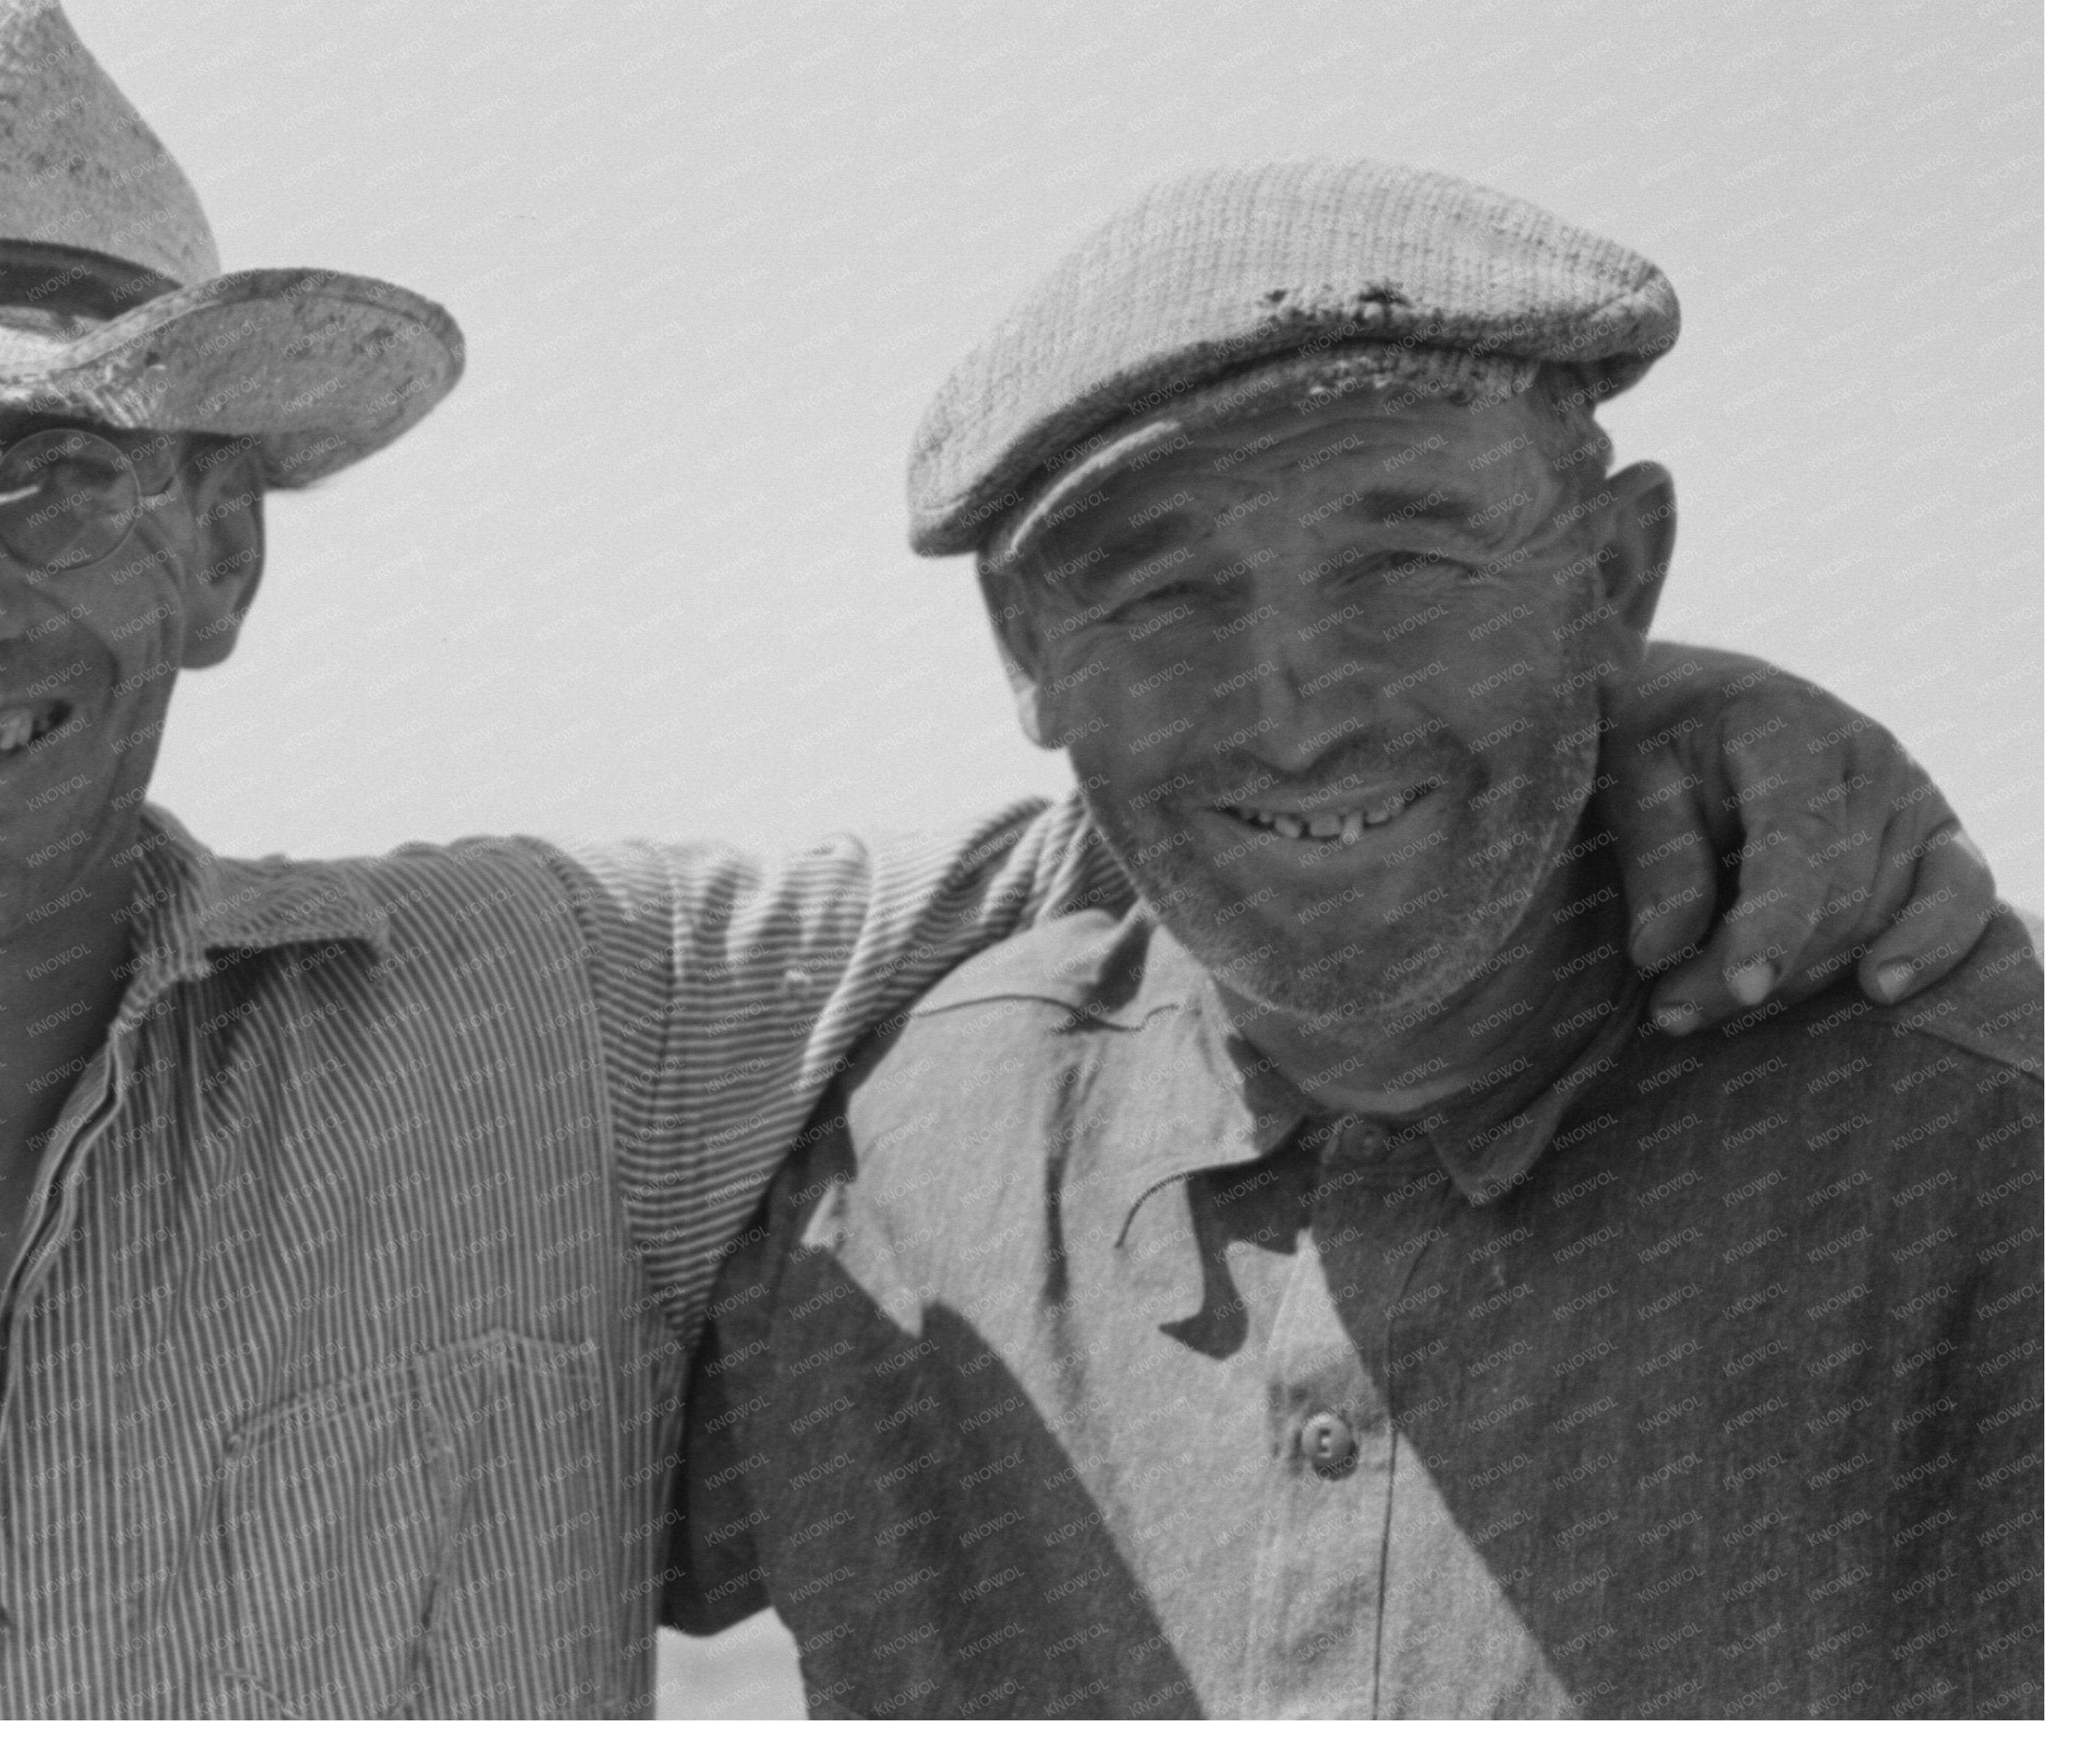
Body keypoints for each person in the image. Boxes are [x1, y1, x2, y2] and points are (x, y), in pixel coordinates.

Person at [0, 0, 1981, 1721]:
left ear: (218, 551)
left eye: (67, 476)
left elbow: (1212, 808)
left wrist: (1663, 705)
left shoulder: (560, 1019)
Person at [665, 159, 2041, 1718]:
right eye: (1159, 599)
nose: (1295, 712)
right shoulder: (892, 1185)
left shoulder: (1988, 1151)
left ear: (1612, 577)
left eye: (1408, 567)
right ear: (1025, 657)